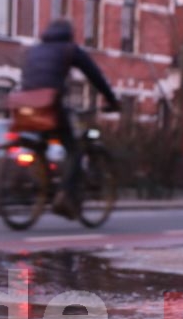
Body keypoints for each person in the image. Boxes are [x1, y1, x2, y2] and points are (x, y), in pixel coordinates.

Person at [19, 18, 120, 219]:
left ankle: (42, 184)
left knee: (42, 141)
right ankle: (63, 194)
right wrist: (112, 100)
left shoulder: (34, 50)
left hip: (25, 103)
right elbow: (95, 76)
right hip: (50, 102)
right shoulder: (69, 49)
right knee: (74, 149)